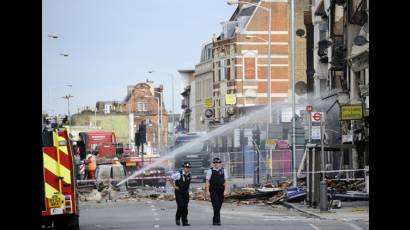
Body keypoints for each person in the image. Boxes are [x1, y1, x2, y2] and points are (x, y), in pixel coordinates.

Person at [205, 157, 229, 226]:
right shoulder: (210, 170)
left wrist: (226, 190)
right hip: (213, 189)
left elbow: (226, 181)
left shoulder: (223, 170)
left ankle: (215, 219)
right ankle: (216, 221)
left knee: (219, 205)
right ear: (213, 164)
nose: (217, 164)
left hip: (221, 189)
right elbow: (207, 181)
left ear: (220, 163)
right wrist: (207, 191)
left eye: (218, 163)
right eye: (215, 163)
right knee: (215, 204)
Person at [171, 162, 192, 226]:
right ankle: (177, 218)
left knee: (185, 207)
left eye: (188, 167)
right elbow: (171, 179)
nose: (187, 169)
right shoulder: (178, 174)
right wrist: (174, 186)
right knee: (181, 205)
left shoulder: (190, 174)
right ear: (183, 167)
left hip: (186, 192)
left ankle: (185, 222)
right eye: (186, 167)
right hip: (179, 191)